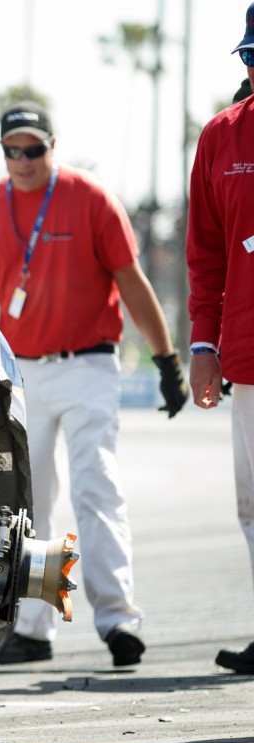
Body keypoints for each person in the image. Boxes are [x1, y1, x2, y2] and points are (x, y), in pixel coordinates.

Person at [0, 100, 188, 668]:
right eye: (13, 151)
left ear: (52, 147)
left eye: (33, 149)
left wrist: (168, 361)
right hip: (22, 374)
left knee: (96, 485)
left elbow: (132, 284)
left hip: (88, 366)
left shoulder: (90, 198)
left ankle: (118, 620)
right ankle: (33, 630)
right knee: (29, 503)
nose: (23, 160)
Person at [186, 2, 254, 675]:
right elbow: (207, 257)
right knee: (252, 504)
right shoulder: (221, 137)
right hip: (248, 357)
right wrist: (202, 345)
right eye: (252, 57)